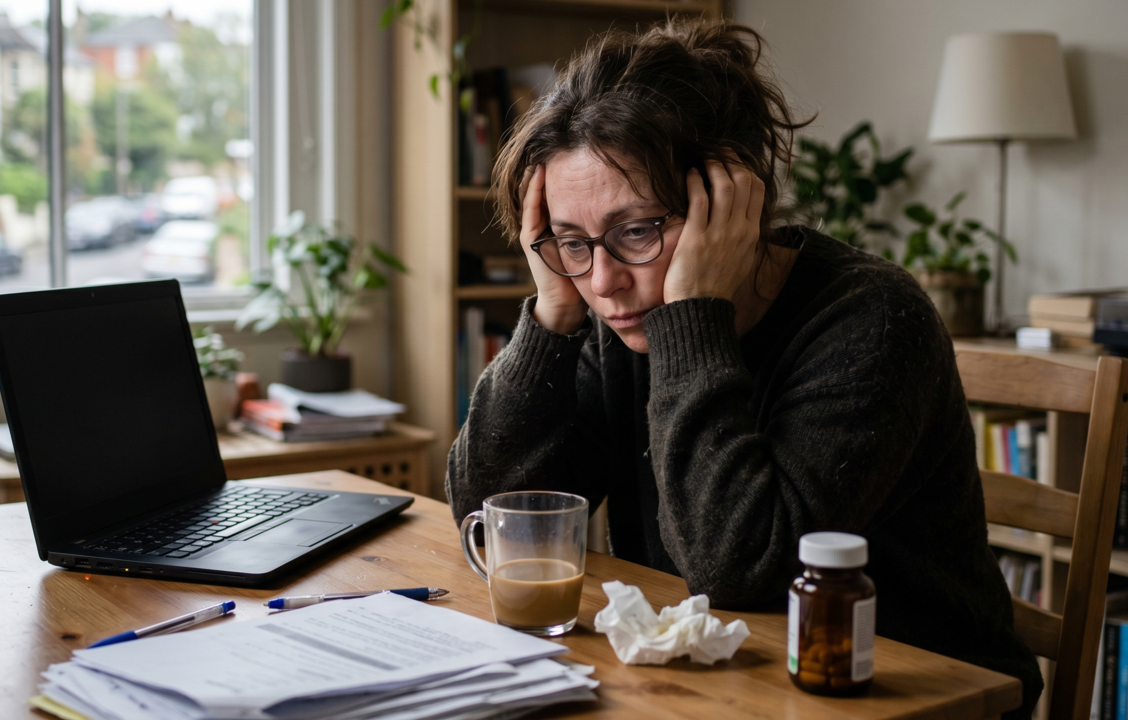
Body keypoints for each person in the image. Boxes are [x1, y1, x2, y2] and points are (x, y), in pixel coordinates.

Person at [445, 17, 1041, 718]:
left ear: (732, 202)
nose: (602, 281)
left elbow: (740, 568)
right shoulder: (612, 315)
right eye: (572, 241)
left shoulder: (873, 319)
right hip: (720, 685)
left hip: (916, 695)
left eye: (636, 231)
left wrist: (692, 316)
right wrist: (551, 315)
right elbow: (489, 516)